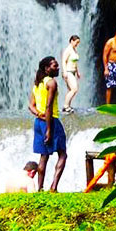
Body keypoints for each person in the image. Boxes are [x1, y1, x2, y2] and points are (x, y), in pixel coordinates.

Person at [28, 56, 67, 192]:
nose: (57, 68)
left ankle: (40, 188)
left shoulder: (37, 84)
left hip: (38, 123)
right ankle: (54, 187)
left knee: (44, 156)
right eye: (55, 66)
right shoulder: (51, 83)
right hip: (52, 121)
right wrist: (49, 129)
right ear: (46, 68)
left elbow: (31, 106)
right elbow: (49, 106)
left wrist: (39, 114)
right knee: (62, 154)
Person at [60, 36, 82, 113]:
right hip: (68, 71)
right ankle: (65, 106)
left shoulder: (74, 50)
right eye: (76, 42)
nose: (77, 44)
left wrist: (77, 72)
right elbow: (63, 61)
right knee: (74, 89)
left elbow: (75, 63)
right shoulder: (68, 50)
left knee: (70, 89)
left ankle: (68, 106)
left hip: (73, 72)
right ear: (72, 41)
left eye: (78, 42)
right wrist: (64, 72)